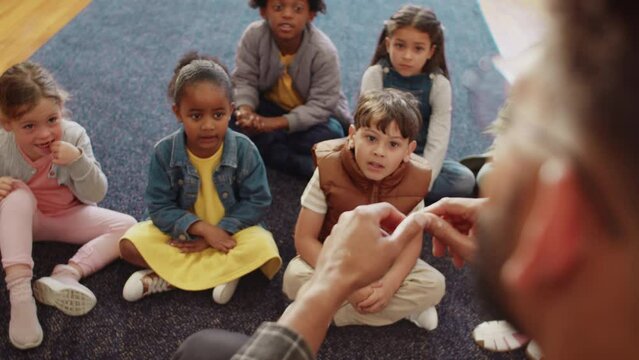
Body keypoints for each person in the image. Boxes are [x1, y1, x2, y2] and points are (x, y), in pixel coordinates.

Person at [119, 52, 281, 305]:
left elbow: (258, 201)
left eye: (218, 115)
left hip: (231, 234)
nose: (208, 125)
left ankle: (168, 277)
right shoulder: (164, 152)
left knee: (265, 247)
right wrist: (202, 230)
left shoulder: (244, 148)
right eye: (196, 116)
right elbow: (160, 207)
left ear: (231, 110)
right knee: (129, 244)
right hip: (183, 236)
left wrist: (219, 232)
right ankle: (223, 274)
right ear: (178, 112)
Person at [0, 62, 137, 349]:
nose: (44, 134)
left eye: (52, 119)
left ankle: (68, 273)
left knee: (127, 227)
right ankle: (21, 294)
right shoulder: (2, 143)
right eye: (29, 126)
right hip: (22, 220)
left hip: (68, 215)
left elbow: (97, 191)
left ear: (61, 107)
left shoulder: (73, 135)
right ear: (6, 124)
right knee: (17, 194)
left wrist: (78, 161)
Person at [282, 89, 444, 330]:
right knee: (294, 277)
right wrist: (349, 287)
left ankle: (323, 313)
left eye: (393, 144)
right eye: (370, 138)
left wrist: (390, 284)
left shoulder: (415, 182)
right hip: (333, 260)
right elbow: (305, 239)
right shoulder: (328, 171)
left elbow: (412, 245)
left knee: (435, 284)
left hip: (382, 264)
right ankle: (397, 311)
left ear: (408, 151)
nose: (379, 151)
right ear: (352, 136)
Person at [361, 5, 475, 204]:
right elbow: (365, 127)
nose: (407, 56)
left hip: (417, 159)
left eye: (418, 49)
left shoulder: (439, 85)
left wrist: (423, 182)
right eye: (400, 45)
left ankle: (384, 190)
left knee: (463, 180)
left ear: (431, 51)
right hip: (379, 153)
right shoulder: (375, 75)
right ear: (388, 44)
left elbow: (438, 141)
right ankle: (392, 190)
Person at [231, 0, 352, 178]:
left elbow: (321, 105)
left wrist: (269, 124)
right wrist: (246, 112)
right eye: (278, 7)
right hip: (266, 107)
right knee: (224, 114)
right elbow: (244, 79)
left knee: (333, 135)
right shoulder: (253, 36)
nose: (287, 14)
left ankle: (265, 151)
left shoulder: (323, 51)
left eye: (297, 9)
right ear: (264, 11)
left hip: (310, 119)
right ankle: (291, 159)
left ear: (311, 15)